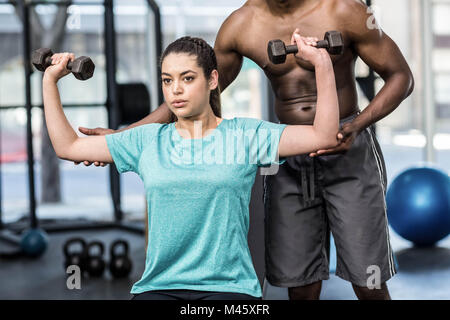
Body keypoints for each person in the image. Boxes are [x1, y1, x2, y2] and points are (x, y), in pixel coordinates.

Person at [78, 0, 414, 300]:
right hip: (288, 154)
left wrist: (356, 126)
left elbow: (401, 77)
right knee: (301, 281)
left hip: (348, 149)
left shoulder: (345, 10)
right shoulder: (242, 24)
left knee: (367, 277)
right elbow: (191, 97)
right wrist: (122, 137)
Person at [42, 33, 340, 300]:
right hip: (159, 287)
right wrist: (50, 81)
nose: (175, 90)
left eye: (187, 78)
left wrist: (322, 63)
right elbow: (69, 147)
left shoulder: (247, 136)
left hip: (230, 289)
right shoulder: (146, 140)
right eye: (167, 80)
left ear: (212, 80)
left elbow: (323, 135)